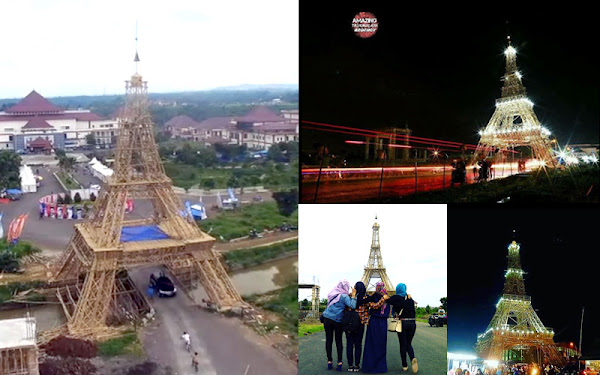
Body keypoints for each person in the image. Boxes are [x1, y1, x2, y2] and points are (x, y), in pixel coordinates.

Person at [345, 281, 388, 372]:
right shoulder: (365, 299)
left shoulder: (349, 297)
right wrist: (383, 299)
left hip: (349, 324)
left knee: (349, 344)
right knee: (358, 344)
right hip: (360, 324)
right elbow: (375, 306)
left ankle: (350, 365)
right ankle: (356, 365)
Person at [322, 279, 357, 371]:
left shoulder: (332, 293)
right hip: (337, 320)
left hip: (327, 318)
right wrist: (353, 296)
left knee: (329, 340)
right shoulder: (344, 296)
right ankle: (339, 363)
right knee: (338, 341)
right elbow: (352, 306)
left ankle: (329, 361)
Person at [387, 283, 418, 372]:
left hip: (402, 323)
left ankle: (405, 365)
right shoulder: (410, 299)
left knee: (402, 344)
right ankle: (412, 358)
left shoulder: (396, 298)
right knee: (408, 343)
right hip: (412, 323)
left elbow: (387, 300)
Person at [362, 282, 390, 374]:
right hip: (382, 323)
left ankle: (369, 367)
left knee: (371, 344)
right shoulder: (387, 298)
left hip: (373, 322)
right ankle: (380, 367)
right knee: (381, 345)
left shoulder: (373, 297)